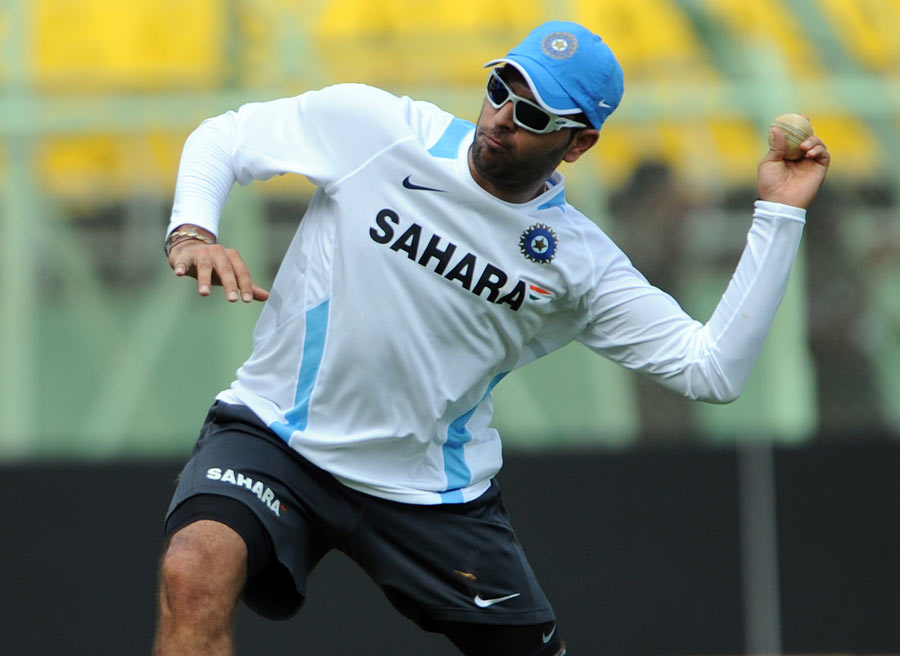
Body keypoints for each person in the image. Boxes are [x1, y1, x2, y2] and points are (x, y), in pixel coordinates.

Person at [154, 20, 830, 656]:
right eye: (501, 87)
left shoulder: (578, 263)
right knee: (192, 570)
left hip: (430, 492)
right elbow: (226, 136)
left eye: (533, 114)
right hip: (277, 436)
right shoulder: (378, 130)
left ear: (578, 143)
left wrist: (778, 214)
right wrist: (192, 231)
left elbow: (711, 369)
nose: (502, 116)